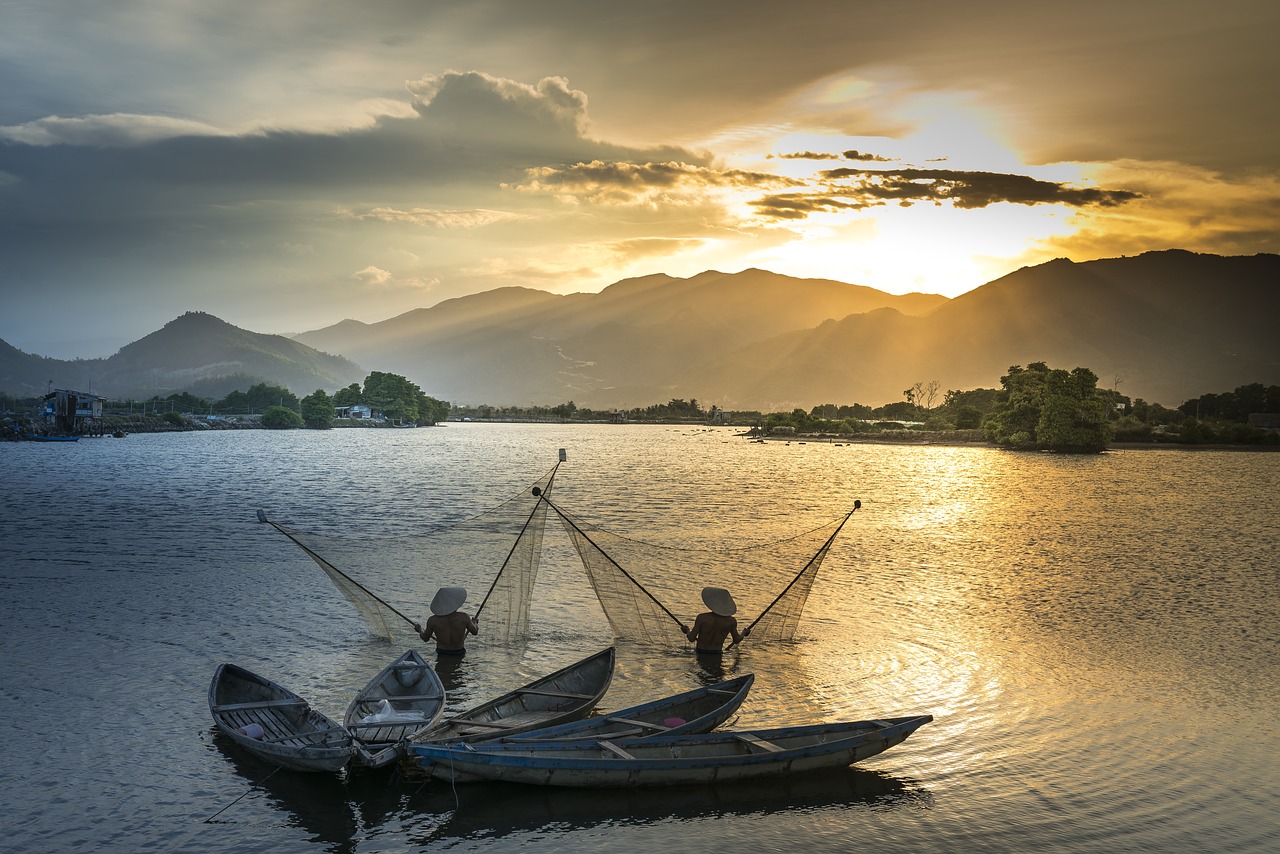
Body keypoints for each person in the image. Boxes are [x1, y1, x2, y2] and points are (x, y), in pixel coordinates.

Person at [415, 586, 478, 656]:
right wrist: (474, 622)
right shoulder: (464, 617)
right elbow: (475, 631)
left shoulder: (433, 620)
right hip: (459, 652)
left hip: (442, 653)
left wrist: (420, 630)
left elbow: (425, 638)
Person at [684, 587, 747, 654]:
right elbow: (736, 640)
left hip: (700, 652)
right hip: (717, 653)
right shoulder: (731, 621)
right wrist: (743, 633)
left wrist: (687, 630)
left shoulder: (702, 618)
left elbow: (691, 638)